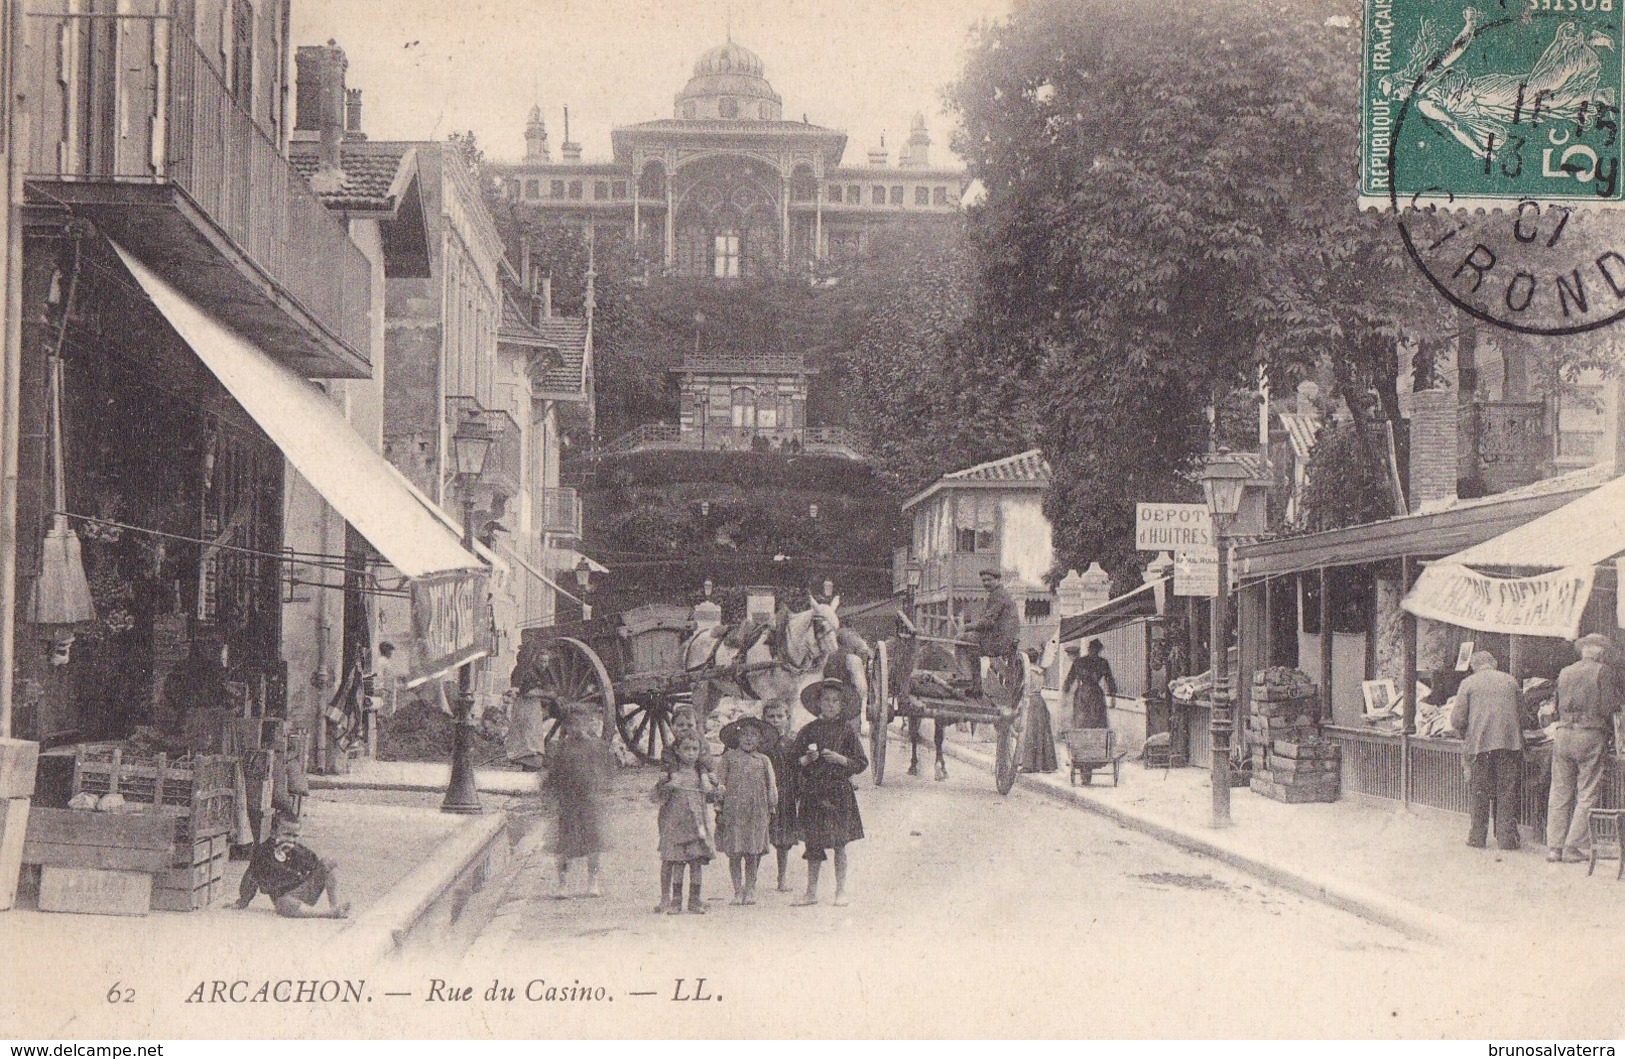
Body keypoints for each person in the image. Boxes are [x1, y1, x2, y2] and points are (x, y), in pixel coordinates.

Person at [1545, 634, 1623, 863]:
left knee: (1559, 791)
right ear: (1600, 652)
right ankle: (1572, 846)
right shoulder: (1603, 671)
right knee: (1587, 791)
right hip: (1590, 734)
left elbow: (1556, 706)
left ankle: (1554, 848)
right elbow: (1610, 707)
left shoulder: (1565, 672)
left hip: (1563, 734)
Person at [791, 678, 867, 907]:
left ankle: (840, 891)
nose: (831, 705)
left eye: (836, 701)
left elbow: (861, 762)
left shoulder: (847, 731)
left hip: (839, 793)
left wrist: (841, 759)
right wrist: (806, 759)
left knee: (839, 843)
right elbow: (793, 762)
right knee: (813, 844)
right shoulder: (808, 731)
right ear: (818, 703)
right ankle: (811, 891)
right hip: (814, 793)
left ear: (842, 705)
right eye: (826, 700)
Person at [1449, 651, 1523, 850]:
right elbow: (1523, 714)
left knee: (1479, 792)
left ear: (1474, 666)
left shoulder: (1468, 684)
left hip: (1479, 746)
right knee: (1506, 791)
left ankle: (1477, 838)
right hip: (1508, 745)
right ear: (1495, 663)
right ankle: (1506, 839)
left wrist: (1468, 734)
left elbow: (1457, 720)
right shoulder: (1510, 681)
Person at [545, 706, 613, 898]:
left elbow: (606, 771)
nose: (577, 728)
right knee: (565, 846)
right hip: (568, 802)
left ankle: (593, 881)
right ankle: (563, 884)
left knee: (593, 845)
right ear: (566, 726)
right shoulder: (561, 748)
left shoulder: (596, 747)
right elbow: (552, 776)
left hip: (589, 802)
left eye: (582, 723)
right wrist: (551, 796)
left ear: (589, 723)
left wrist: (602, 789)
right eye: (573, 724)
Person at [235, 811, 350, 919]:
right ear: (273, 833)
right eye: (286, 835)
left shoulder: (298, 850)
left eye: (295, 836)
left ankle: (334, 906)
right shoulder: (263, 853)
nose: (291, 839)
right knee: (285, 903)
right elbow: (251, 877)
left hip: (302, 891)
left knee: (329, 863)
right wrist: (243, 901)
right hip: (284, 897)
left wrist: (314, 872)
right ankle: (327, 914)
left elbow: (315, 865)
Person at [715, 716, 779, 905]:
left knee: (753, 851)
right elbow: (720, 781)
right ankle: (737, 890)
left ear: (760, 739)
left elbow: (771, 785)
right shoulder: (728, 758)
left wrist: (771, 805)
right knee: (735, 851)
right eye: (744, 735)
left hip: (757, 811)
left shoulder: (764, 760)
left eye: (754, 735)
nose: (749, 739)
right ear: (737, 737)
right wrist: (719, 800)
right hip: (734, 811)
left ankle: (750, 888)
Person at [653, 735, 719, 913]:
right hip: (677, 826)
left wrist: (715, 787)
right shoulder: (671, 775)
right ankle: (676, 901)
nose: (690, 754)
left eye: (694, 749)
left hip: (697, 826)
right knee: (678, 862)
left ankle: (695, 900)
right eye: (686, 749)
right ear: (677, 751)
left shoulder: (701, 775)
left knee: (696, 863)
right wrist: (665, 785)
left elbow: (712, 798)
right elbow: (656, 798)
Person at [761, 699, 801, 891]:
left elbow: (797, 769)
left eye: (780, 716)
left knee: (783, 841)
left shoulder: (792, 743)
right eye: (771, 717)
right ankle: (751, 881)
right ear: (764, 719)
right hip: (761, 796)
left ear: (787, 718)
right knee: (757, 838)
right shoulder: (759, 744)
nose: (775, 721)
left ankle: (782, 877)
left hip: (785, 795)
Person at [963, 567, 1022, 696]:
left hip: (999, 641)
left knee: (964, 640)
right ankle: (973, 683)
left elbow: (988, 622)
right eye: (983, 581)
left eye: (989, 580)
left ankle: (972, 684)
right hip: (1003, 639)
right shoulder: (1000, 594)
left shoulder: (998, 595)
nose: (986, 583)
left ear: (998, 579)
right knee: (968, 639)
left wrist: (968, 626)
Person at [1018, 648, 1058, 774]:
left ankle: (1029, 764)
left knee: (1029, 732)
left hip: (1030, 701)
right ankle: (1046, 764)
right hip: (1040, 701)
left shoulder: (1027, 672)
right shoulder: (1041, 672)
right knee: (1043, 732)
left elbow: (1022, 687)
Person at [1065, 639, 1118, 730]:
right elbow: (1110, 680)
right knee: (1090, 718)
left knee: (1088, 718)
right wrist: (1113, 697)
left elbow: (1069, 680)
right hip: (1092, 693)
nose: (1094, 651)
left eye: (1095, 650)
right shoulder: (1102, 662)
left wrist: (1065, 692)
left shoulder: (1080, 662)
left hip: (1084, 693)